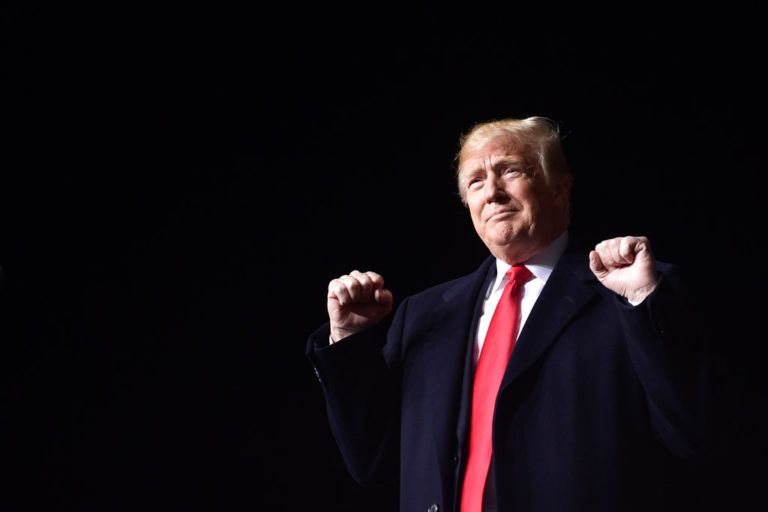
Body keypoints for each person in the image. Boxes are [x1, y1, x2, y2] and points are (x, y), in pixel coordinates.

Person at [306, 117, 709, 512]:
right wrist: (350, 339)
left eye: (510, 171)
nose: (492, 193)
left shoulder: (628, 291)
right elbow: (372, 462)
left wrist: (642, 300)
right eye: (475, 182)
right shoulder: (423, 313)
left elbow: (693, 432)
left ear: (559, 189)